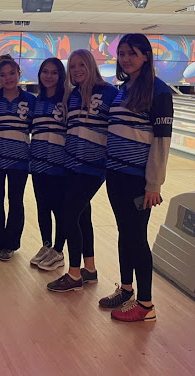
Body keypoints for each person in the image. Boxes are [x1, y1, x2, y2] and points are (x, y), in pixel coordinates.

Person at [101, 34, 172, 322]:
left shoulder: (159, 91)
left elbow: (161, 142)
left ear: (145, 55)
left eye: (131, 53)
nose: (125, 58)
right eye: (121, 54)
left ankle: (146, 304)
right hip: (115, 173)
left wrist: (153, 184)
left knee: (137, 238)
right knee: (124, 234)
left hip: (137, 179)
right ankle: (126, 289)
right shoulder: (123, 89)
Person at [47, 49, 118, 292]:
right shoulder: (73, 95)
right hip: (71, 166)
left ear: (91, 66)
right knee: (81, 216)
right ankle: (89, 269)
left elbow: (117, 130)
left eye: (81, 65)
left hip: (93, 168)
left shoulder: (109, 93)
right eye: (73, 66)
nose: (77, 70)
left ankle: (74, 274)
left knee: (67, 215)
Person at [0, 55, 35, 262]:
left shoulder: (31, 100)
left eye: (12, 73)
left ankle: (11, 244)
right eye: (3, 75)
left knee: (15, 201)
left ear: (19, 74)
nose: (8, 78)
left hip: (20, 160)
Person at [29, 58, 67, 271]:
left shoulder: (67, 101)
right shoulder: (36, 101)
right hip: (38, 163)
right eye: (45, 71)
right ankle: (46, 245)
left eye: (54, 72)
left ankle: (59, 250)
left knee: (59, 209)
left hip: (59, 165)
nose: (49, 76)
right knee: (42, 207)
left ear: (60, 75)